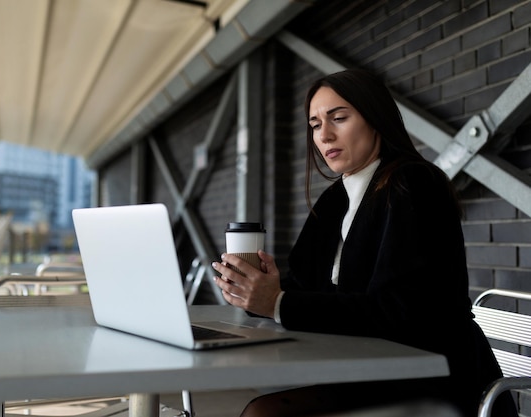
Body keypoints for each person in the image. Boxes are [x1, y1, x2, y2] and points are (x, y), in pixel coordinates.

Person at [211, 68, 517, 417]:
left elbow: (398, 310)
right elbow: (306, 286)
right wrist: (258, 290)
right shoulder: (334, 199)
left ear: (375, 118)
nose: (324, 135)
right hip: (369, 372)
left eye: (338, 118)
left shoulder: (413, 183)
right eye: (314, 125)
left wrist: (279, 302)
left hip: (435, 379)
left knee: (264, 413)